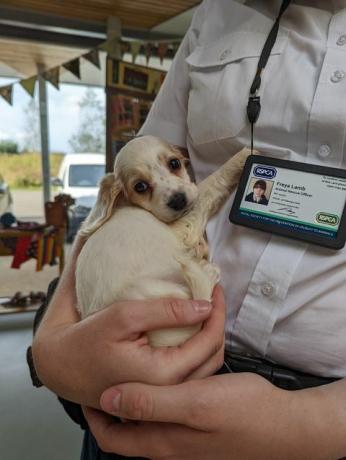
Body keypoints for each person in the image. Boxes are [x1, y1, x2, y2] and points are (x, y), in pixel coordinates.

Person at [31, 0, 346, 458]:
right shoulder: (215, 12)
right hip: (138, 379)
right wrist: (52, 340)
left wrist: (316, 423)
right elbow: (127, 198)